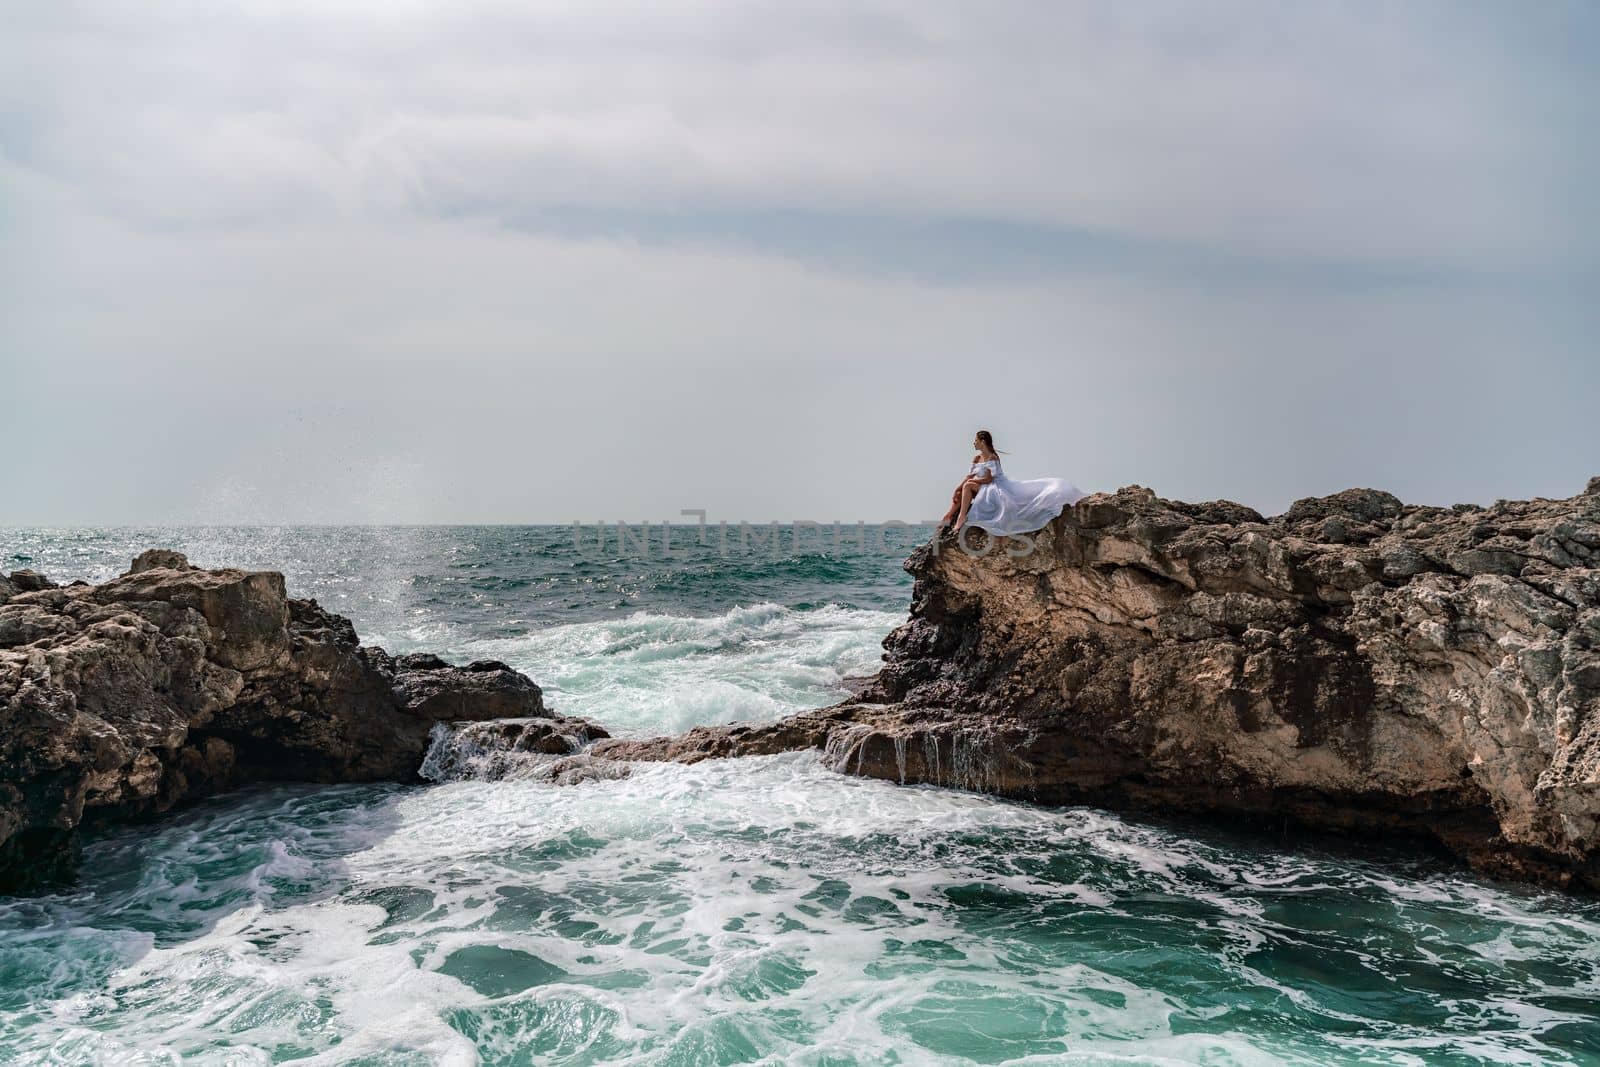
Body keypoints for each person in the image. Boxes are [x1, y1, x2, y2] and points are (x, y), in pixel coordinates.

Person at [941, 430, 1087, 535]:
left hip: (994, 486)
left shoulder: (992, 457)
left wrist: (972, 481)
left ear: (982, 442)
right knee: (962, 489)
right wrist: (958, 487)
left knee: (968, 486)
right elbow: (968, 476)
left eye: (976, 441)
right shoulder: (976, 459)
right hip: (981, 486)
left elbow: (989, 479)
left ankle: (961, 518)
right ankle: (949, 516)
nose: (974, 443)